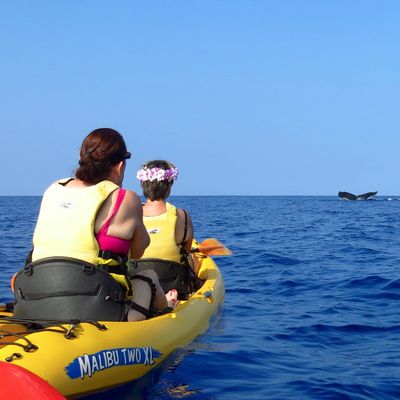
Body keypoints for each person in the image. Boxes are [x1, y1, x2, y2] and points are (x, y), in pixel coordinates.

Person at [29, 128, 176, 321]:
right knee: (148, 276)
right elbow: (138, 252)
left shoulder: (54, 188)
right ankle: (165, 308)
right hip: (95, 306)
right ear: (120, 166)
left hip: (38, 295)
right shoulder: (124, 198)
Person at [132, 160, 202, 298]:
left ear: (143, 185)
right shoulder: (183, 216)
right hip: (174, 285)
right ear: (168, 187)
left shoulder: (131, 214)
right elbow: (186, 251)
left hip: (137, 282)